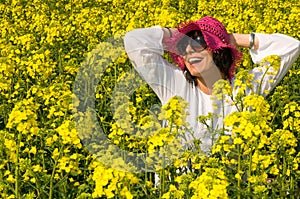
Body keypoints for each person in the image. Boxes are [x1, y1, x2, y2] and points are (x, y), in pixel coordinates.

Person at [124, 16, 300, 153]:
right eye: (183, 45)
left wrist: (232, 39)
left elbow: (290, 47)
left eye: (199, 42)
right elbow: (134, 41)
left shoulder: (244, 89)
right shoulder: (174, 83)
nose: (188, 49)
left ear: (219, 50)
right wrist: (176, 35)